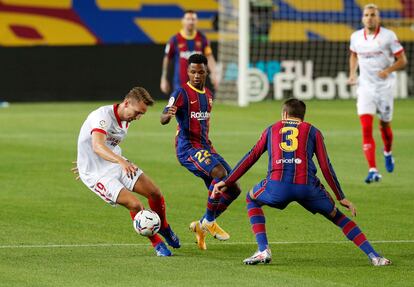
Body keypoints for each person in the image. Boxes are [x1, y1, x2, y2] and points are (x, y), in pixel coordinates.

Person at [213, 99, 391, 266]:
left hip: (277, 187)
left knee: (252, 198)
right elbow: (325, 166)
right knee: (337, 217)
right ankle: (375, 256)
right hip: (308, 188)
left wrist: (228, 181)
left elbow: (251, 156)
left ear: (284, 114)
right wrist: (341, 196)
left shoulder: (272, 129)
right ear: (303, 116)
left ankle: (263, 250)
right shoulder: (313, 131)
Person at [75, 87, 180, 256]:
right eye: (137, 112)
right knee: (135, 204)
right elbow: (97, 145)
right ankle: (156, 243)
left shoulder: (126, 120)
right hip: (97, 174)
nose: (138, 117)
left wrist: (86, 158)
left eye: (142, 114)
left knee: (155, 193)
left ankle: (164, 228)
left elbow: (103, 145)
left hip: (114, 163)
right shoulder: (102, 116)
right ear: (126, 103)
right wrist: (88, 164)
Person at [160, 54, 241, 250]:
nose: (197, 75)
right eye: (193, 72)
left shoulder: (209, 95)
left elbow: (205, 122)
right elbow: (163, 117)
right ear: (187, 72)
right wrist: (168, 116)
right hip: (188, 148)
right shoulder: (181, 93)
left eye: (201, 72)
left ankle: (201, 225)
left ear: (206, 72)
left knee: (234, 188)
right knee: (220, 174)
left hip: (205, 147)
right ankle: (210, 222)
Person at [348, 3, 407, 184]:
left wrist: (388, 71)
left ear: (378, 17)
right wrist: (352, 73)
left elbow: (402, 60)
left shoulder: (389, 36)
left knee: (384, 126)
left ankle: (387, 152)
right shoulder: (356, 36)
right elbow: (353, 54)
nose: (369, 18)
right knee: (366, 127)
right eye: (366, 15)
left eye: (373, 15)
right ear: (362, 17)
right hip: (365, 88)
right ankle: (372, 169)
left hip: (384, 88)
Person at [160, 10, 218, 95]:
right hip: (179, 83)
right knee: (181, 106)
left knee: (198, 107)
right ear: (183, 21)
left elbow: (209, 56)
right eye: (188, 19)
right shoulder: (175, 39)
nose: (191, 22)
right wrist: (163, 78)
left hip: (198, 82)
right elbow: (167, 59)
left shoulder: (202, 39)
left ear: (197, 21)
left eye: (193, 19)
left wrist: (214, 74)